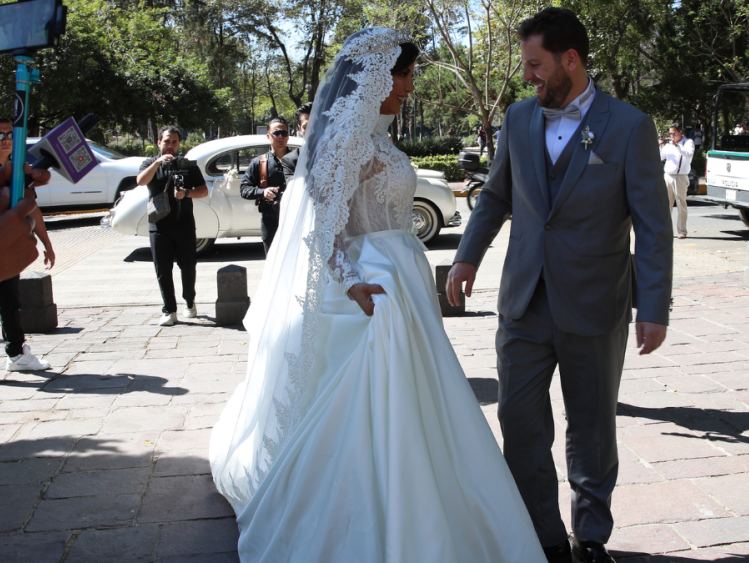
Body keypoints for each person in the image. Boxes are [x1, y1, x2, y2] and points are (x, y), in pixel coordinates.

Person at [209, 28, 545, 563]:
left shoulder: (375, 136)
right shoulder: (349, 141)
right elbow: (321, 226)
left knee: (421, 394)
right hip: (375, 285)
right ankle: (381, 509)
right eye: (406, 74)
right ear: (379, 76)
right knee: (374, 396)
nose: (410, 86)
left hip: (403, 275)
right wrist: (350, 281)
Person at [446, 8, 672, 563]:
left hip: (597, 302)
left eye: (536, 65)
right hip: (522, 302)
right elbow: (497, 195)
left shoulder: (629, 126)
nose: (528, 77)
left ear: (570, 60)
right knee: (519, 422)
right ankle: (543, 538)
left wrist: (654, 304)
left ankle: (590, 538)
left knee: (592, 428)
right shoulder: (520, 120)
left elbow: (652, 223)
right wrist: (466, 257)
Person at [0, 117, 55, 372]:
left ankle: (16, 353)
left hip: (8, 249)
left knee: (10, 301)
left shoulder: (18, 170)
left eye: (10, 134)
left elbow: (32, 209)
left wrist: (47, 243)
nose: (6, 139)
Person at [136, 126, 209, 326]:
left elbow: (203, 191)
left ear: (179, 144)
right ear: (159, 142)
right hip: (159, 225)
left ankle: (189, 302)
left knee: (187, 266)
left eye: (175, 142)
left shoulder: (186, 164)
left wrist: (185, 194)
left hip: (184, 223)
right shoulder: (150, 162)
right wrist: (157, 163)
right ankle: (169, 310)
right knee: (163, 269)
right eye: (167, 141)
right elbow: (141, 181)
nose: (170, 145)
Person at [240, 117, 291, 255]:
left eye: (284, 133)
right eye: (276, 133)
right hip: (270, 217)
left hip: (294, 216)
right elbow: (244, 189)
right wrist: (263, 192)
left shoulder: (298, 159)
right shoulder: (259, 162)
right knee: (272, 259)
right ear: (269, 136)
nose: (280, 136)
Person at [662, 123, 695, 239]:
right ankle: (665, 231)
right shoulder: (669, 145)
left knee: (681, 204)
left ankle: (682, 230)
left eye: (674, 133)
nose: (672, 136)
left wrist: (677, 146)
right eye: (670, 133)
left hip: (680, 177)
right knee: (666, 205)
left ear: (680, 132)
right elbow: (660, 156)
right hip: (668, 176)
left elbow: (689, 154)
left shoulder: (688, 142)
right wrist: (660, 146)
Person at [280, 102, 311, 177]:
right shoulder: (290, 160)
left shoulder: (337, 154)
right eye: (306, 127)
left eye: (315, 125)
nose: (311, 131)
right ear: (299, 129)